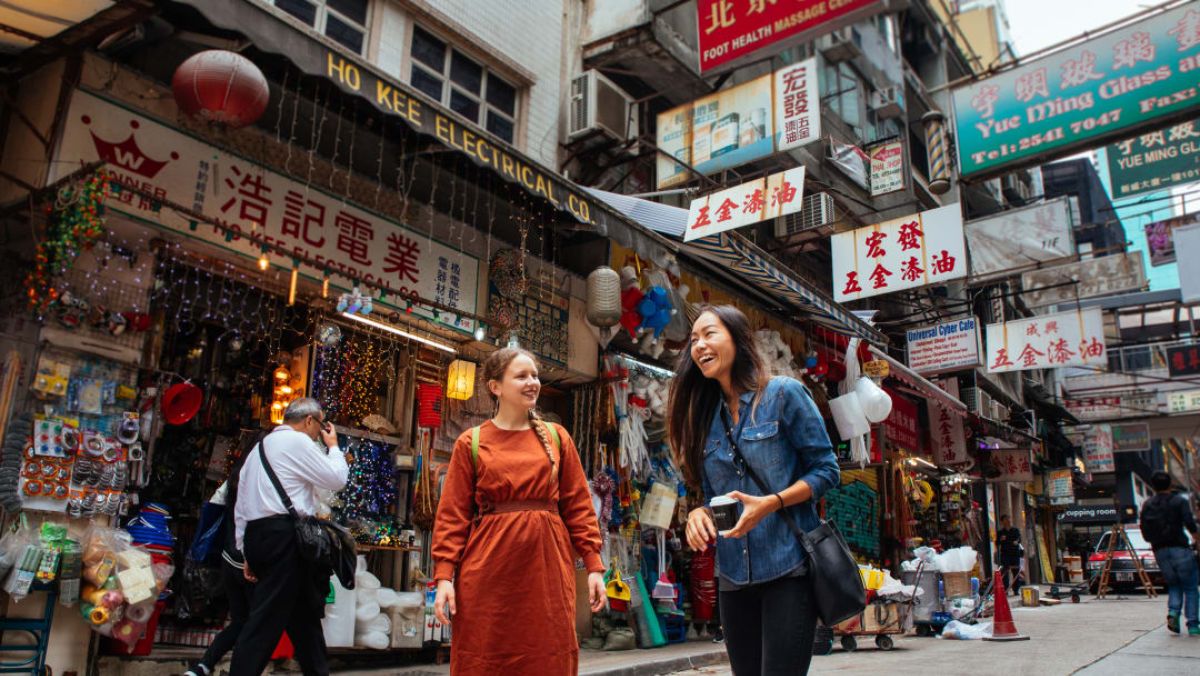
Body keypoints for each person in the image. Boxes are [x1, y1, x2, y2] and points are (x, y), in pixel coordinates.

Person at [670, 305, 839, 675]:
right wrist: (698, 513)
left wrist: (772, 502)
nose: (699, 345)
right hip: (733, 577)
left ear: (738, 338)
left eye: (709, 333)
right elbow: (712, 495)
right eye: (694, 339)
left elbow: (827, 470)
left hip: (789, 569)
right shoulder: (705, 419)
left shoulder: (783, 395)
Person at [432, 347, 606, 675]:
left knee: (548, 651)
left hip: (547, 571)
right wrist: (444, 577)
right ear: (495, 386)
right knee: (485, 652)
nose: (533, 383)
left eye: (535, 376)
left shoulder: (557, 438)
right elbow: (452, 516)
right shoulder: (471, 442)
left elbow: (579, 507)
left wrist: (594, 565)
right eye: (521, 376)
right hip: (486, 572)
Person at [229, 398, 349, 676]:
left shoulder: (260, 448)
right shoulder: (298, 442)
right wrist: (333, 447)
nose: (320, 432)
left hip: (259, 536)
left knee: (303, 616)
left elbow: (241, 504)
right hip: (285, 537)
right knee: (265, 619)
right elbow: (336, 478)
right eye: (320, 425)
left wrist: (245, 550)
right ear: (309, 421)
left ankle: (317, 671)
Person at [185, 445, 254, 676]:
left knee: (240, 620)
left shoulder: (233, 480)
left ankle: (203, 665)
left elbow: (213, 507)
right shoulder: (259, 481)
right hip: (249, 563)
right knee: (253, 624)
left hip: (228, 558)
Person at [1140, 471, 1200, 635]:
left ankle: (1173, 612)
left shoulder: (1148, 504)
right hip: (1180, 548)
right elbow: (1189, 522)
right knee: (1190, 587)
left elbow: (1144, 532)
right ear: (1170, 484)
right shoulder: (1179, 501)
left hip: (1160, 551)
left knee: (1174, 584)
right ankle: (1193, 625)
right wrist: (1197, 539)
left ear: (1153, 486)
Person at [996, 515, 1023, 594]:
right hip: (1005, 554)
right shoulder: (1000, 532)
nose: (1008, 521)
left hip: (1015, 554)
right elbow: (997, 542)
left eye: (1009, 519)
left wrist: (1017, 542)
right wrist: (1001, 539)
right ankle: (1005, 590)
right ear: (1002, 522)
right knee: (1005, 572)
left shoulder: (1015, 530)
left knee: (1016, 572)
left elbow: (1019, 539)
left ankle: (1016, 590)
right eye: (1005, 520)